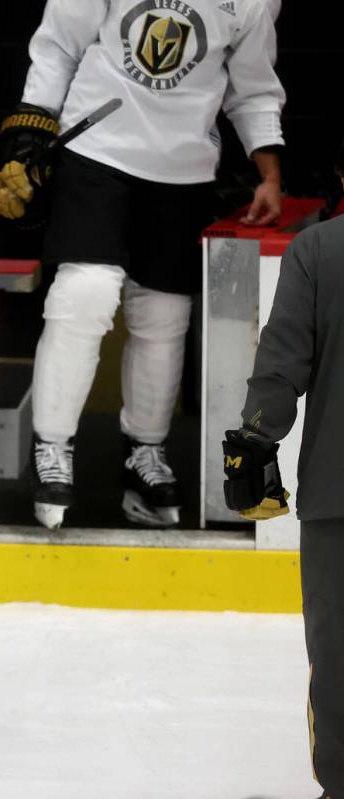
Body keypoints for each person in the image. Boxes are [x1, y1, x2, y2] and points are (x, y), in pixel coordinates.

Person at [0, 0, 285, 530]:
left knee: (165, 316)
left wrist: (270, 174)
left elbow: (253, 84)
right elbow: (59, 42)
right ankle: (52, 448)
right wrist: (30, 128)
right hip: (96, 149)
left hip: (185, 168)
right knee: (85, 292)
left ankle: (145, 454)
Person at [222, 147, 344, 799]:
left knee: (339, 657)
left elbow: (281, 365)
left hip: (338, 494)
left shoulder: (319, 251)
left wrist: (253, 443)